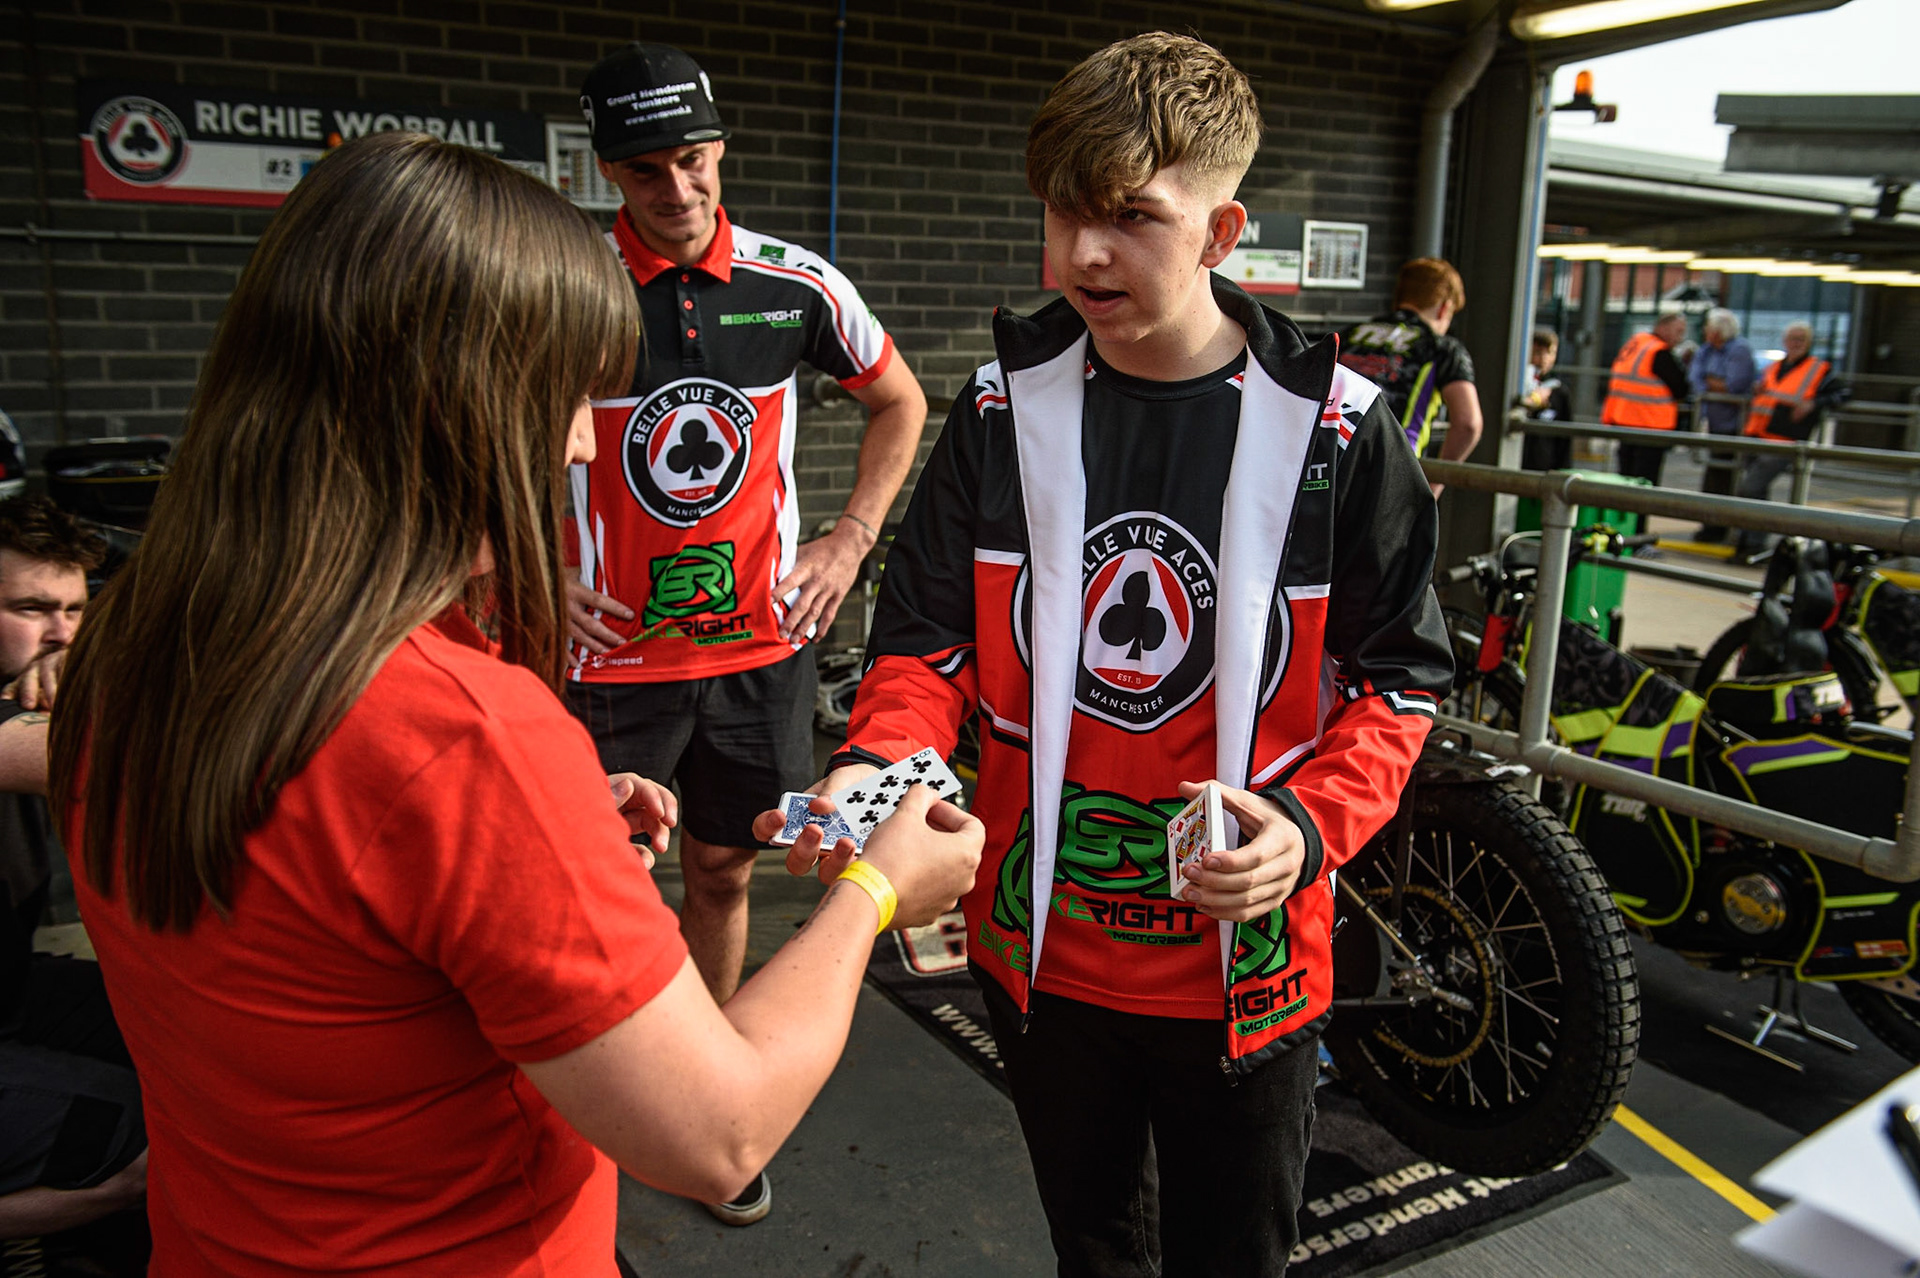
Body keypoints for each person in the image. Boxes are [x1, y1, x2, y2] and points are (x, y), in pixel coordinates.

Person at [50, 132, 982, 1277]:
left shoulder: (145, 641)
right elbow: (717, 1130)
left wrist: (531, 835)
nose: (583, 439)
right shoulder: (465, 733)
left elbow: (326, 878)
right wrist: (879, 889)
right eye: (563, 396)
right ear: (455, 406)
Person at [770, 35, 1453, 1277]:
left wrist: (1305, 830)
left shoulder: (1342, 432)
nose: (1086, 253)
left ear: (1222, 231)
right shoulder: (996, 413)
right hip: (1042, 957)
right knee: (1095, 1252)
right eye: (1066, 213)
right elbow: (923, 648)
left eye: (1133, 217)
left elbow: (1404, 681)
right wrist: (877, 770)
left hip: (1248, 980)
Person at [563, 50, 928, 1220]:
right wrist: (523, 567)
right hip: (603, 657)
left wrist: (850, 538)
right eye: (645, 168)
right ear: (605, 168)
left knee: (723, 866)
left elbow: (900, 398)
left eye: (694, 158)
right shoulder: (563, 282)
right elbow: (464, 422)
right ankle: (580, 1113)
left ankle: (708, 1097)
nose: (677, 189)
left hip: (758, 651)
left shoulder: (794, 284)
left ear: (722, 148)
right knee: (595, 886)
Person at [0, 496, 148, 1254]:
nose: (60, 633)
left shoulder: (44, 676)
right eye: (29, 609)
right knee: (129, 1125)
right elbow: (127, 761)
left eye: (73, 610)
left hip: (11, 990)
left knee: (172, 1036)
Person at [1338, 256, 1483, 494]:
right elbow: (1469, 424)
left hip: (1330, 468)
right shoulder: (1440, 347)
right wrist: (1435, 484)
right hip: (1393, 475)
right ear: (1445, 307)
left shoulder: (1348, 336)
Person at [1734, 321, 1849, 555]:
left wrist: (1814, 403)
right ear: (1785, 342)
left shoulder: (1819, 370)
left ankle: (1754, 542)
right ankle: (1746, 543)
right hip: (1757, 435)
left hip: (1784, 441)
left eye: (1801, 339)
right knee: (1753, 492)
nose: (1796, 344)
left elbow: (1844, 393)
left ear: (1808, 343)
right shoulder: (1773, 368)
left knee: (1751, 487)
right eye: (1792, 339)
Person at [1600, 308, 1690, 487]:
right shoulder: (1659, 352)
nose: (1680, 338)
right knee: (1644, 483)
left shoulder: (1637, 343)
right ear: (1663, 328)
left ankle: (1624, 514)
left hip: (1625, 421)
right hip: (1649, 425)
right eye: (1678, 331)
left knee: (1626, 479)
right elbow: (1681, 388)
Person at [1688, 308, 1756, 540]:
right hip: (1714, 423)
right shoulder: (1707, 350)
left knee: (1728, 476)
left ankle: (1723, 528)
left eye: (1709, 327)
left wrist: (1712, 383)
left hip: (1735, 425)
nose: (1705, 331)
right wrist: (1714, 384)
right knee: (1713, 474)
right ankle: (1710, 526)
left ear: (1719, 331)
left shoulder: (1740, 350)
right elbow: (1696, 381)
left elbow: (1735, 386)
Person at [1518, 327, 1574, 472]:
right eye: (1537, 352)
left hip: (1545, 470)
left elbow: (1565, 439)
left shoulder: (1559, 392)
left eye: (1549, 352)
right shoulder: (1517, 386)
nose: (1543, 359)